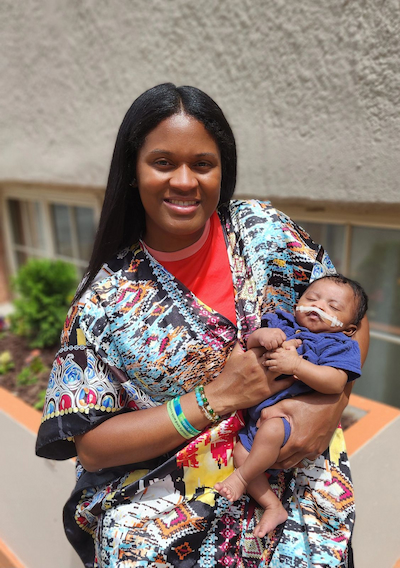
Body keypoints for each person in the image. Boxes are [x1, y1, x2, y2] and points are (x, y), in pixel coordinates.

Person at [35, 83, 369, 568]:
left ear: (222, 171)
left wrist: (332, 405)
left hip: (304, 512)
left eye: (203, 164)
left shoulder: (264, 233)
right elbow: (91, 446)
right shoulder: (105, 298)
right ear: (133, 171)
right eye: (163, 162)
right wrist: (218, 397)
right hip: (170, 530)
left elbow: (349, 316)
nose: (185, 181)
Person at [215, 274, 368, 538]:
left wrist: (297, 366)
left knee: (269, 434)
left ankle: (241, 479)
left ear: (349, 328)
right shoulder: (281, 322)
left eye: (333, 307)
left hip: (288, 419)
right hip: (257, 420)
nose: (318, 306)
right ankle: (272, 506)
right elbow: (249, 342)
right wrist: (263, 336)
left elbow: (335, 382)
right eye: (312, 298)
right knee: (241, 454)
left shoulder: (338, 345)